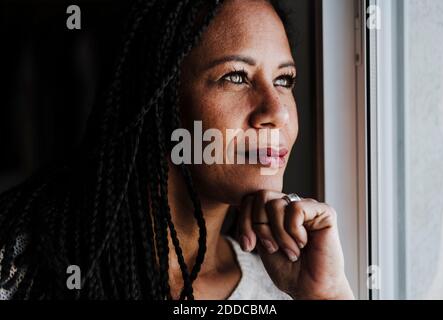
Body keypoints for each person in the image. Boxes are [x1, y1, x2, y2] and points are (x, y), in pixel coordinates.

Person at [0, 0, 353, 300]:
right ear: (161, 101)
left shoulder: (280, 288)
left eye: (283, 80)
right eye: (236, 76)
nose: (277, 111)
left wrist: (328, 296)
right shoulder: (24, 267)